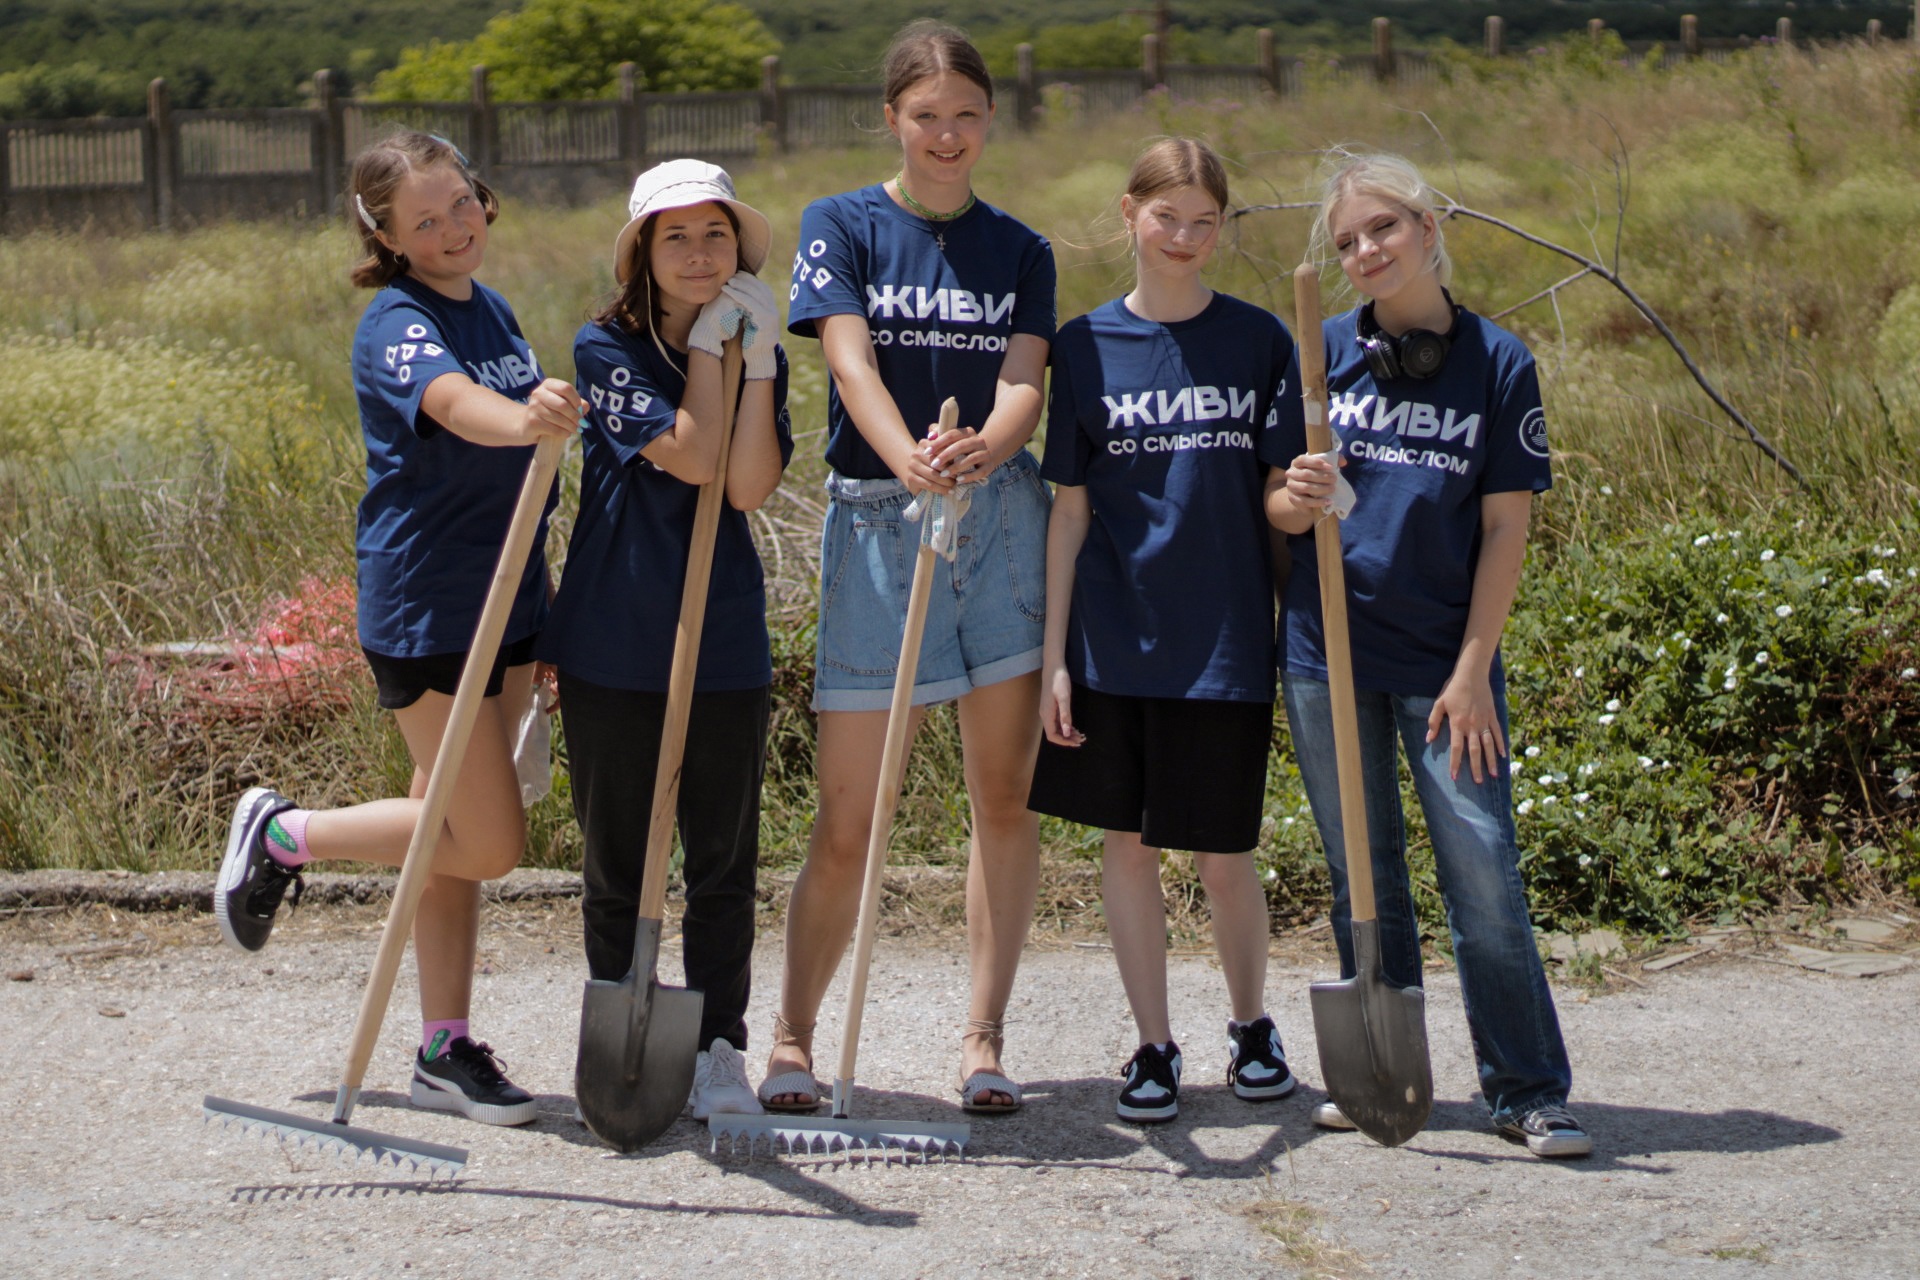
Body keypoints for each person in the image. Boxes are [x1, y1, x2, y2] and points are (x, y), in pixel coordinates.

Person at [213, 131, 582, 1126]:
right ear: (385, 234)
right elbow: (460, 407)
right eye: (426, 220)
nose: (455, 228)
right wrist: (526, 418)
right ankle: (285, 832)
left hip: (510, 602)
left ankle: (441, 1047)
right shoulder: (396, 322)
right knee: (485, 840)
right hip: (431, 610)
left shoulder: (490, 306)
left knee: (450, 831)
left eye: (460, 202)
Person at [1267, 152, 1589, 1158]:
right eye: (1350, 239)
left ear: (1429, 228)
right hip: (1328, 654)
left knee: (1482, 870)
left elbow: (1505, 528)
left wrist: (1470, 669)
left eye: (1384, 230)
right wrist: (1298, 496)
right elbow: (1274, 505)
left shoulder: (1498, 362)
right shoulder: (1321, 355)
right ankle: (1386, 1075)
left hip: (1446, 666)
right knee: (1363, 873)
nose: (1365, 251)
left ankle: (1527, 1089)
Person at [770, 20, 1055, 1114]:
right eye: (926, 116)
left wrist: (989, 443)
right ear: (892, 118)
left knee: (1005, 795)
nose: (947, 136)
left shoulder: (1021, 249)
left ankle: (985, 1038)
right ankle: (793, 1038)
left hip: (997, 527)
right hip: (881, 526)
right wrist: (910, 459)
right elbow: (848, 361)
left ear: (990, 120)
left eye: (966, 116)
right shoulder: (839, 224)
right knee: (852, 813)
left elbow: (1025, 379)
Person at [1028, 138, 1303, 1124]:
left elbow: (1282, 496)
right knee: (1128, 849)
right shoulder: (1086, 343)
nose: (1185, 237)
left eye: (1204, 221)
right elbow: (1068, 512)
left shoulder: (1261, 341)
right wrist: (1057, 659)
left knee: (1225, 856)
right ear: (1129, 214)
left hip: (1225, 640)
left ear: (1221, 227)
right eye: (1166, 217)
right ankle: (1153, 1044)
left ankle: (1252, 1026)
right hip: (1114, 641)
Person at [538, 160, 792, 1121]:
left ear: (739, 247)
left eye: (715, 235)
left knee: (723, 863)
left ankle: (722, 1046)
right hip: (616, 635)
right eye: (675, 236)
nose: (698, 254)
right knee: (616, 862)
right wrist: (708, 358)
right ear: (642, 249)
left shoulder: (749, 341)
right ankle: (629, 1032)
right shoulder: (604, 348)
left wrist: (759, 360)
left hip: (720, 634)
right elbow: (690, 455)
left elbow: (746, 486)